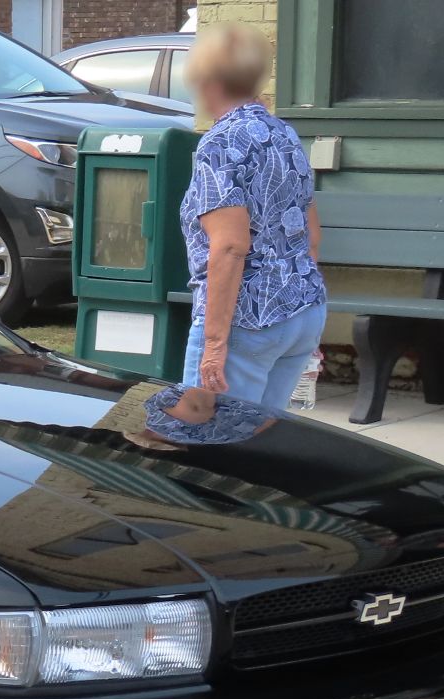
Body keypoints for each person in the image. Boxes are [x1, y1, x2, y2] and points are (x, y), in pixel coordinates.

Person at [180, 23, 328, 409]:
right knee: (262, 446)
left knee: (210, 447)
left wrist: (214, 345)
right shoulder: (284, 134)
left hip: (246, 322)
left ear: (207, 80)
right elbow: (310, 234)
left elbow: (229, 247)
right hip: (302, 312)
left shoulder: (219, 144)